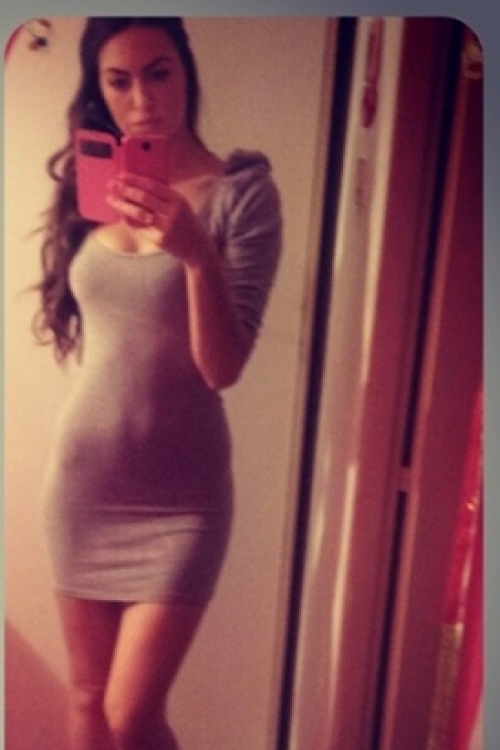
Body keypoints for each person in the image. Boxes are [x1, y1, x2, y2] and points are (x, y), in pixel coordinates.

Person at [33, 17, 282, 750]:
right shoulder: (94, 185)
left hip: (181, 500)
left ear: (185, 71)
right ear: (99, 90)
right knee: (86, 703)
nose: (141, 99)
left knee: (130, 716)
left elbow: (222, 367)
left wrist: (197, 254)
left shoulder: (242, 194)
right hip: (82, 485)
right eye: (119, 81)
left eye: (158, 72)